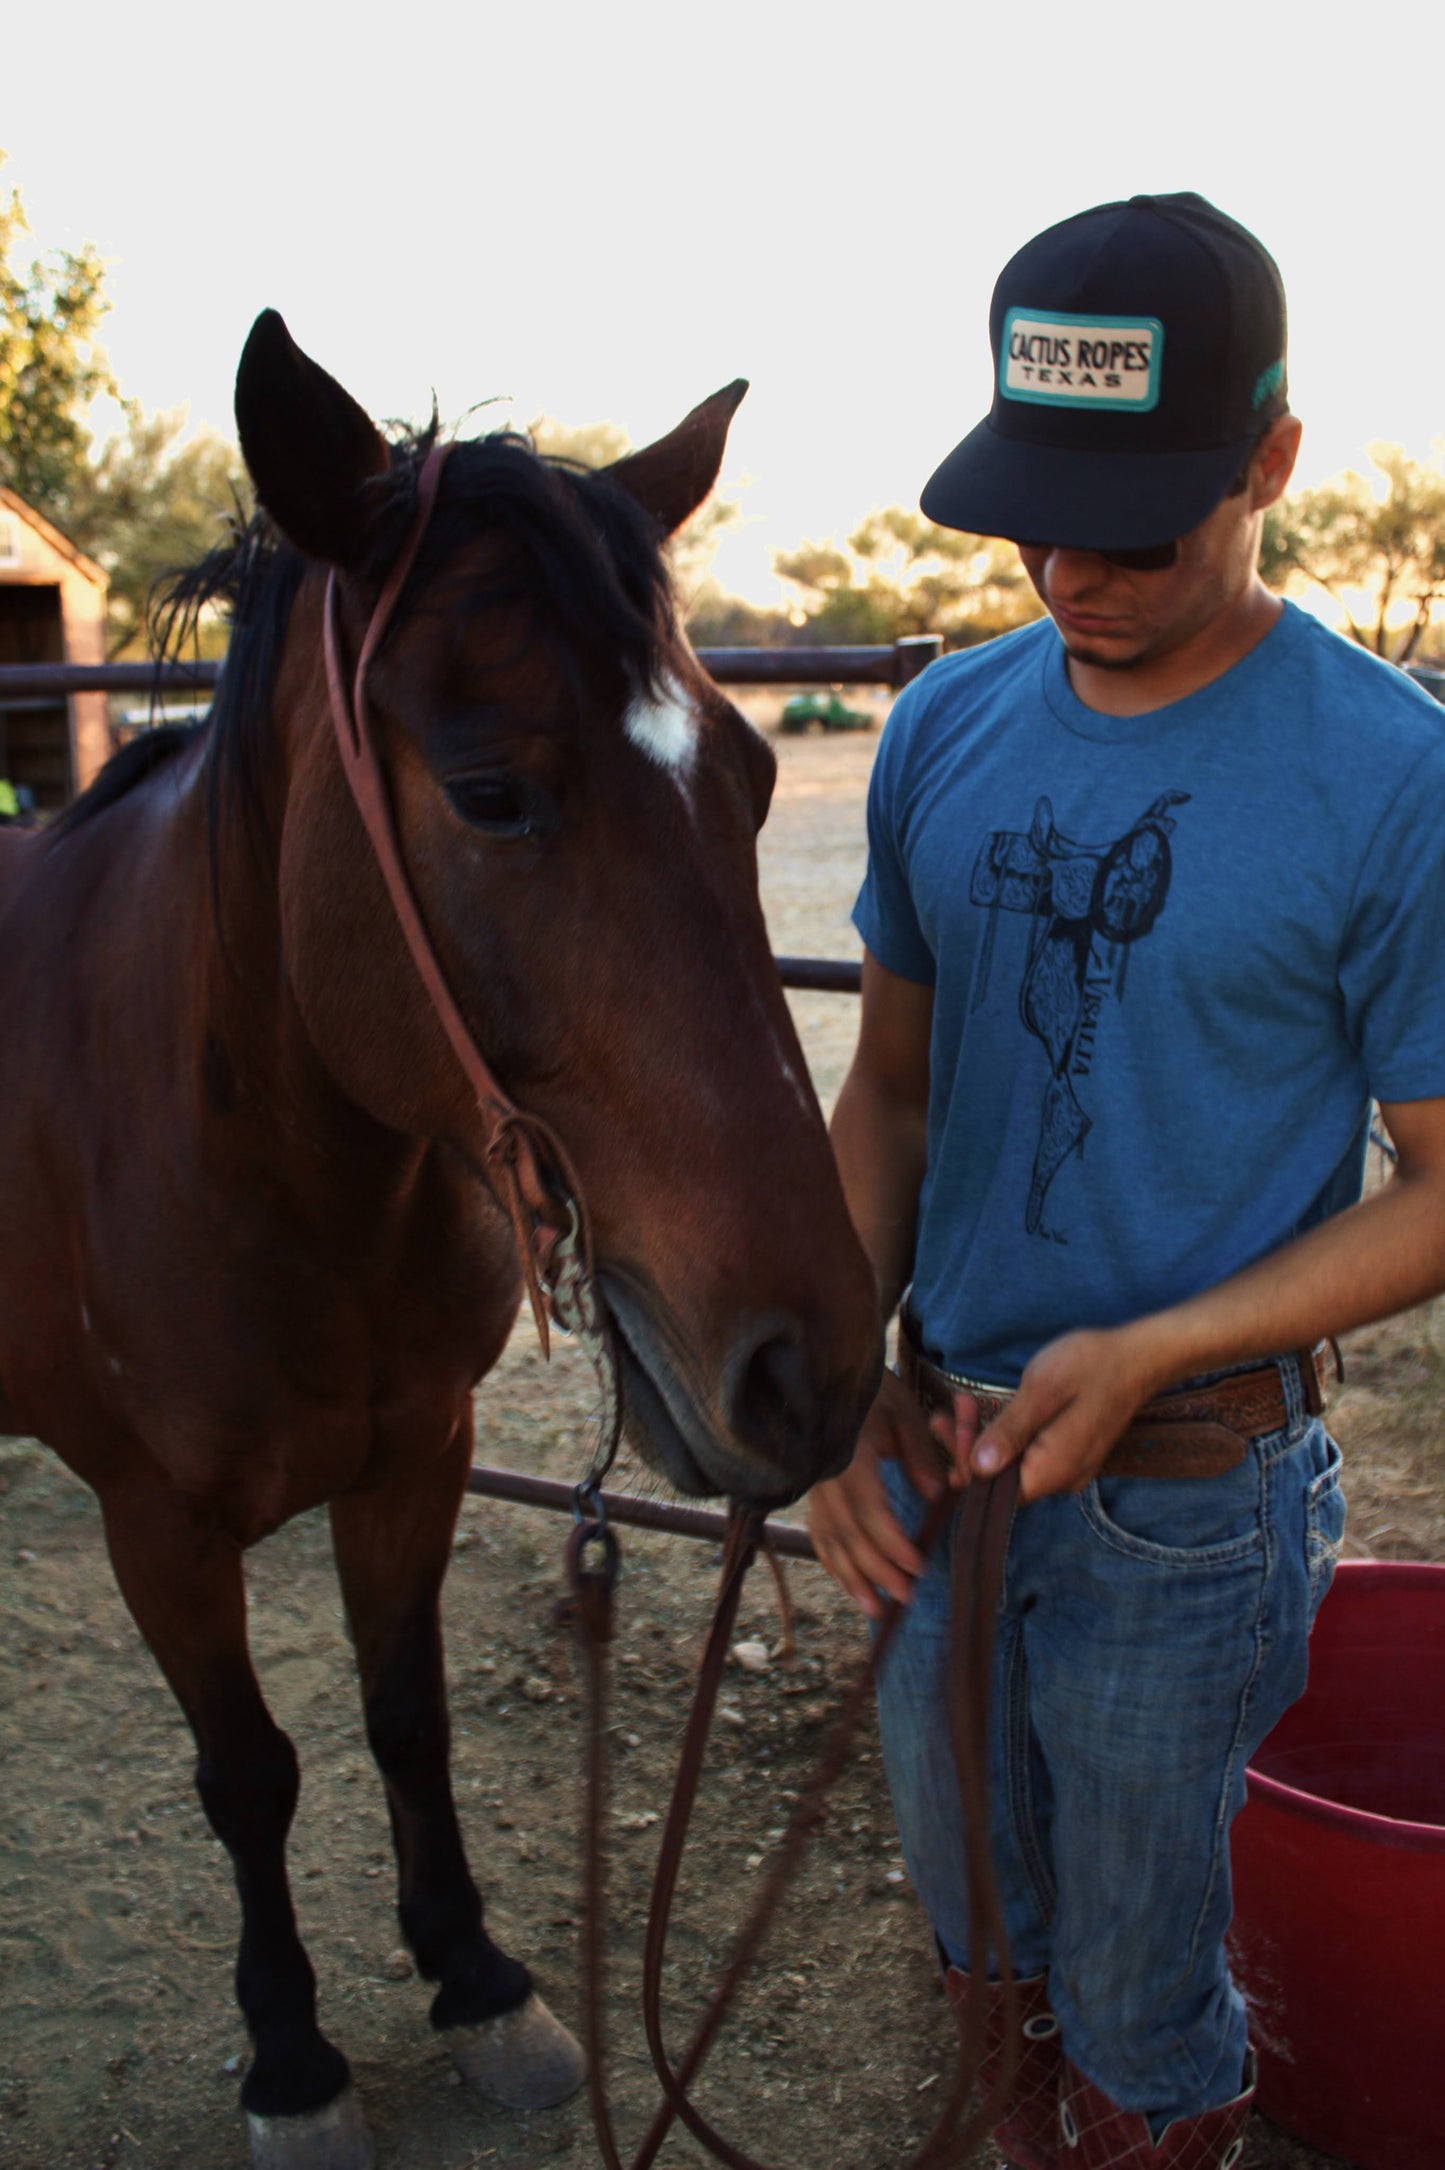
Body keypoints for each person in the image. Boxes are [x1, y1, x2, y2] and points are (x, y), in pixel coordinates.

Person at [808, 191, 1445, 2170]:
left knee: (1143, 1982)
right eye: (1034, 515)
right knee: (972, 1918)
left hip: (1189, 1500)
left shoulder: (1395, 773)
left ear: (1273, 460)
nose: (1071, 566)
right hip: (935, 1465)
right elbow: (890, 1090)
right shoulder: (941, 723)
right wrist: (841, 1385)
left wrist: (1154, 1339)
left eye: (1137, 520)